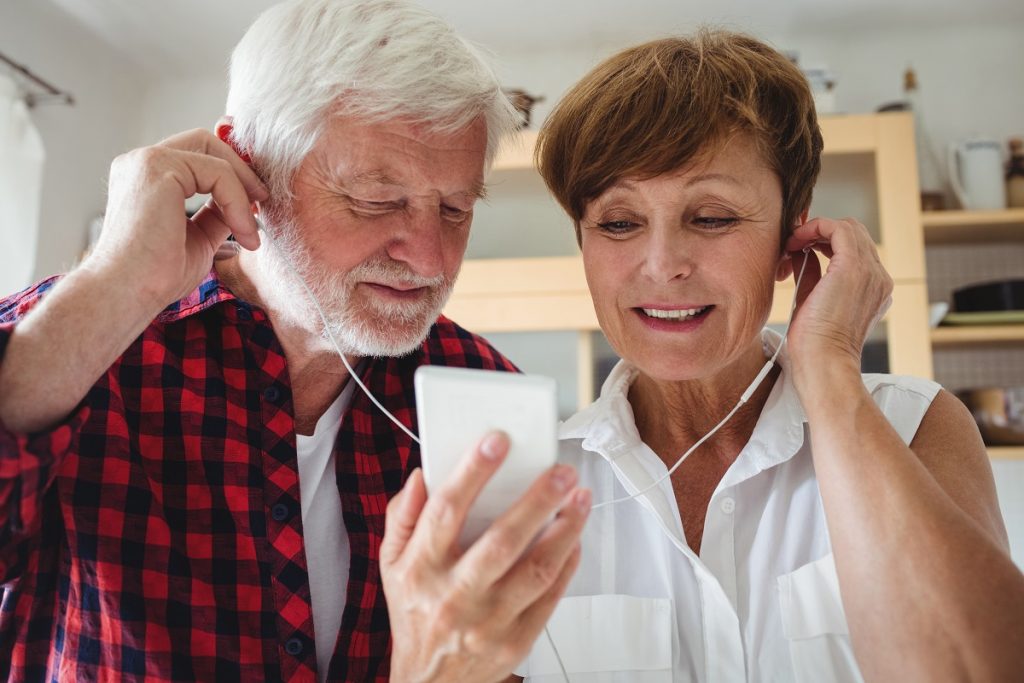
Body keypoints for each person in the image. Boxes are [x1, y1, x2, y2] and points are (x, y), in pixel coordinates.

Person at [0, 1, 590, 681]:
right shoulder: (85, 340)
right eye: (377, 200)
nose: (431, 259)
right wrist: (116, 284)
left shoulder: (483, 388)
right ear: (248, 171)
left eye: (456, 208)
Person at [501, 31, 1024, 681]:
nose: (662, 265)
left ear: (791, 237)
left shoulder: (915, 427)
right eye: (618, 222)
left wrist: (830, 368)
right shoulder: (529, 487)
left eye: (713, 217)